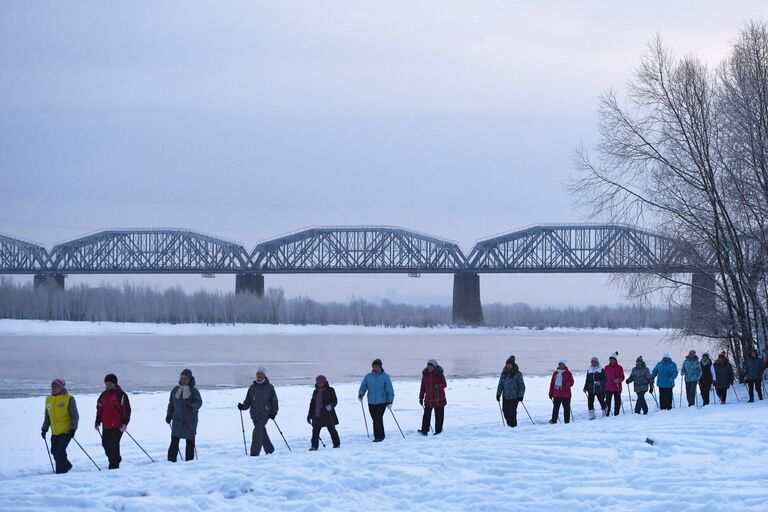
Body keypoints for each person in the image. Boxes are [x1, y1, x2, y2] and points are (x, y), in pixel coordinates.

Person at [41, 378, 79, 474]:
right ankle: (66, 465)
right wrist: (44, 429)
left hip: (66, 431)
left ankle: (60, 473)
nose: (54, 388)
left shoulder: (69, 398)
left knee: (60, 451)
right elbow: (47, 417)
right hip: (55, 431)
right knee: (54, 451)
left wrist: (73, 428)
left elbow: (75, 415)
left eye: (56, 386)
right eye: (52, 386)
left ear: (62, 387)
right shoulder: (48, 399)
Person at [238, 367, 278, 456]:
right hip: (254, 415)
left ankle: (254, 454)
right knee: (261, 432)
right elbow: (248, 401)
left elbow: (274, 401)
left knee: (257, 431)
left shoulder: (269, 387)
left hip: (265, 414)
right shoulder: (252, 388)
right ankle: (270, 450)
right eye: (258, 374)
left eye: (261, 374)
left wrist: (273, 413)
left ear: (264, 375)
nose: (259, 375)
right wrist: (243, 406)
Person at [95, 373, 131, 469]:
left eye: (109, 383)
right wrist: (97, 421)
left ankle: (114, 466)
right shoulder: (103, 395)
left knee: (114, 445)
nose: (107, 385)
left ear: (114, 383)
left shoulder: (121, 395)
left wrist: (125, 423)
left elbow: (127, 410)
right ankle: (115, 459)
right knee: (105, 444)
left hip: (118, 426)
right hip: (106, 425)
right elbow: (99, 410)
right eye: (106, 383)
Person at [166, 368, 202, 462]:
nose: (183, 380)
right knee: (174, 441)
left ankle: (189, 463)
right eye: (182, 378)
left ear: (190, 379)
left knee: (189, 442)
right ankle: (170, 461)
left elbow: (199, 403)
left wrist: (192, 407)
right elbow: (171, 404)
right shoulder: (175, 390)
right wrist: (169, 415)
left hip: (190, 422)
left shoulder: (194, 391)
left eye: (185, 379)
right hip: (177, 420)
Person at [358, 358, 394, 442]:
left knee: (378, 418)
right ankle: (379, 435)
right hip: (371, 402)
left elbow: (389, 390)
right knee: (375, 419)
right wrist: (360, 394)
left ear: (380, 367)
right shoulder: (368, 376)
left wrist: (389, 401)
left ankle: (378, 437)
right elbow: (363, 386)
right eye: (374, 366)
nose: (375, 368)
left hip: (382, 402)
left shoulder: (385, 377)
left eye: (377, 366)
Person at [306, 375, 340, 450]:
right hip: (316, 415)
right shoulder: (315, 392)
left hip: (328, 414)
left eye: (320, 382)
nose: (319, 384)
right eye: (317, 383)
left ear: (324, 382)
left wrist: (330, 406)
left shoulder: (331, 390)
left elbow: (335, 401)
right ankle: (314, 446)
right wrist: (309, 416)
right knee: (315, 432)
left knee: (332, 430)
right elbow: (312, 404)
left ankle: (336, 444)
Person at [419, 359, 447, 435]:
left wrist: (438, 386)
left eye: (431, 366)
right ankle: (424, 430)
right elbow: (423, 387)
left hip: (439, 399)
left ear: (434, 366)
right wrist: (421, 397)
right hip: (428, 399)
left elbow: (444, 384)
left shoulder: (439, 373)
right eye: (428, 366)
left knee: (439, 416)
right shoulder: (425, 374)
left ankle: (438, 431)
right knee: (426, 415)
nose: (429, 367)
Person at [496, 355, 525, 427]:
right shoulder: (504, 373)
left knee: (512, 412)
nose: (508, 366)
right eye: (507, 364)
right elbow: (501, 384)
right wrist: (498, 394)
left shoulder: (518, 374)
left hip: (514, 397)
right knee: (505, 412)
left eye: (510, 364)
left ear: (513, 365)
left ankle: (514, 426)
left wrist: (521, 395)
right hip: (505, 397)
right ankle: (510, 425)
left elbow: (522, 386)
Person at [548, 359, 574, 424]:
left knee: (566, 409)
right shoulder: (555, 373)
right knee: (555, 409)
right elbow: (552, 384)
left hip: (566, 394)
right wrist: (550, 393)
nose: (560, 365)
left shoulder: (568, 373)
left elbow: (572, 382)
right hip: (556, 394)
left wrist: (566, 385)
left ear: (564, 365)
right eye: (559, 364)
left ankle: (567, 421)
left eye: (562, 364)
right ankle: (554, 420)